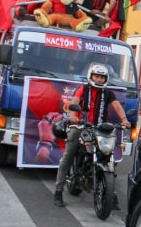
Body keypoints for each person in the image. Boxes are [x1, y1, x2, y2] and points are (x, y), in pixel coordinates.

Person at [53, 63, 131, 208]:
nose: (100, 80)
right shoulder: (83, 89)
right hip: (81, 126)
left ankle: (110, 194)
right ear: (90, 76)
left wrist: (124, 120)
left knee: (108, 157)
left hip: (99, 129)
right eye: (97, 76)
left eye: (102, 77)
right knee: (68, 156)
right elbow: (74, 102)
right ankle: (58, 191)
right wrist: (73, 116)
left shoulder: (108, 93)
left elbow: (117, 106)